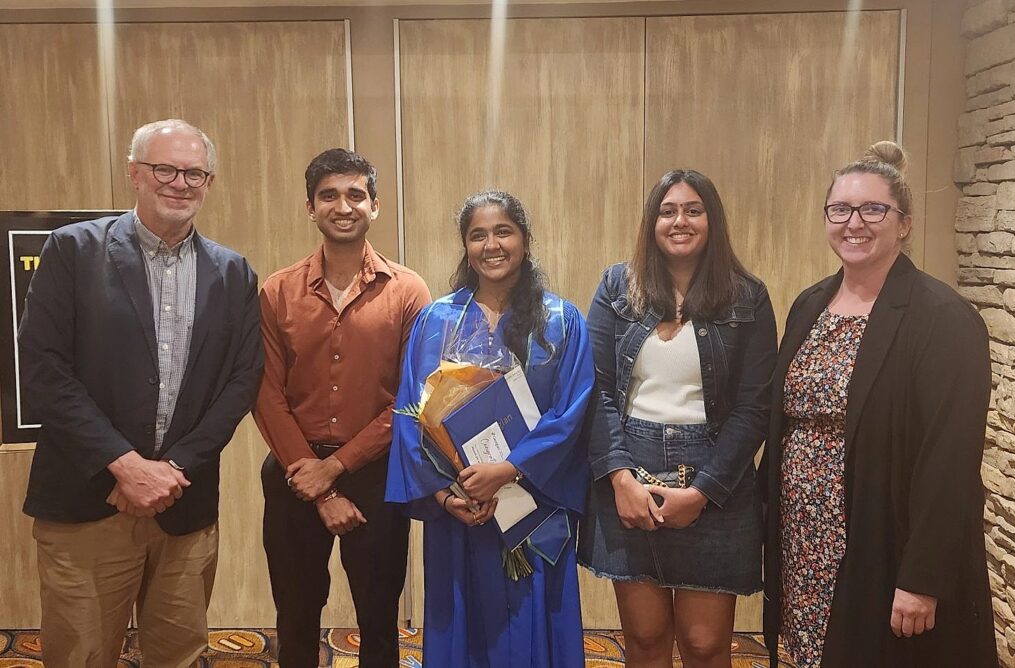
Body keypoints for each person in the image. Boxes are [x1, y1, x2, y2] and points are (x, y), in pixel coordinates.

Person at [18, 118, 263, 667]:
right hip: (88, 502)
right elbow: (44, 368)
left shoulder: (233, 273)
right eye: (164, 169)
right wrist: (124, 466)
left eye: (194, 172)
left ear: (209, 180)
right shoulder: (73, 251)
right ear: (134, 173)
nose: (179, 182)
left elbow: (240, 382)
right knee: (80, 656)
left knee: (179, 657)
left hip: (184, 505)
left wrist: (172, 468)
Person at [760, 141, 997, 667]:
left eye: (873, 209)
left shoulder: (943, 319)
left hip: (881, 542)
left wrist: (922, 578)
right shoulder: (810, 304)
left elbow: (950, 461)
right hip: (806, 540)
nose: (854, 223)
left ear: (904, 223)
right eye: (840, 210)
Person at [386, 190, 594, 667]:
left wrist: (510, 469)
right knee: (462, 626)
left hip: (533, 507)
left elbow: (572, 413)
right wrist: (443, 496)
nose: (491, 244)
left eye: (504, 231)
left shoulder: (562, 322)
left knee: (535, 624)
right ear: (465, 246)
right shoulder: (436, 321)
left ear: (524, 239)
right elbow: (410, 416)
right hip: (462, 507)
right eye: (478, 234)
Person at [579, 170, 776, 668]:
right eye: (668, 211)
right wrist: (619, 478)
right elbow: (596, 390)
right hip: (630, 472)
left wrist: (704, 491)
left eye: (693, 209)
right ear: (652, 221)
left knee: (705, 643)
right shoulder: (617, 286)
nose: (679, 221)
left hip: (716, 479)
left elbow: (756, 406)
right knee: (644, 639)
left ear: (712, 219)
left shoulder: (747, 296)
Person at [253, 148, 430, 667]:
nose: (343, 205)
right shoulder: (277, 292)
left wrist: (334, 469)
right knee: (296, 613)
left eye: (356, 194)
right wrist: (313, 477)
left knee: (379, 620)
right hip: (292, 475)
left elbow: (412, 399)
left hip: (377, 476)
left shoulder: (409, 291)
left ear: (375, 205)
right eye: (329, 195)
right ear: (310, 207)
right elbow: (266, 394)